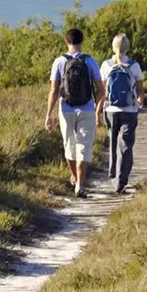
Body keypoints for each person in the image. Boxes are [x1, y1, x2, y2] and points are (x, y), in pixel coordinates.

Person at [45, 27, 104, 198]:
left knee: (69, 146)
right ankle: (80, 184)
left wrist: (49, 114)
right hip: (87, 108)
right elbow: (101, 89)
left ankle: (74, 177)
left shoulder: (59, 62)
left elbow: (53, 90)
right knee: (84, 146)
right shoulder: (90, 61)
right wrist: (97, 109)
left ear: (66, 41)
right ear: (81, 41)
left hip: (66, 109)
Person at [98, 33, 145, 194]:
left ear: (113, 47)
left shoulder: (106, 65)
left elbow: (103, 90)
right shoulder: (134, 66)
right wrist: (140, 101)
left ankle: (112, 176)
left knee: (112, 143)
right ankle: (121, 180)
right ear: (127, 47)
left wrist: (99, 108)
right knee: (125, 145)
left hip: (110, 110)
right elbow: (140, 90)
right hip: (130, 110)